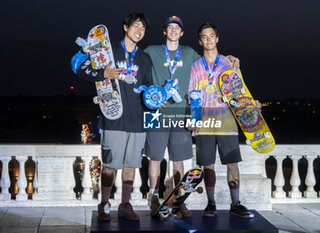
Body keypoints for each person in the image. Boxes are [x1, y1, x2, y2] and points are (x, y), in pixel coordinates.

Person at [143, 16, 240, 217]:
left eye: (177, 28)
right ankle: (153, 198)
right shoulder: (151, 51)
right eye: (169, 27)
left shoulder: (189, 53)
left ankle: (178, 201)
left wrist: (229, 57)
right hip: (156, 114)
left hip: (181, 113)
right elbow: (136, 67)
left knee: (178, 161)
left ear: (182, 33)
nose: (173, 30)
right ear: (164, 31)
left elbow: (210, 58)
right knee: (155, 158)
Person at [72, 12, 152, 221]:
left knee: (131, 166)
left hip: (137, 120)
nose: (139, 31)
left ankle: (125, 205)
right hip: (113, 117)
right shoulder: (108, 50)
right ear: (125, 27)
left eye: (143, 28)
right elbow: (79, 67)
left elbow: (149, 89)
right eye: (136, 26)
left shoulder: (144, 58)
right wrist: (103, 74)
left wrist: (155, 99)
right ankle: (104, 204)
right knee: (109, 166)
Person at [188, 22, 260, 218]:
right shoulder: (195, 66)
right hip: (204, 122)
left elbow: (240, 92)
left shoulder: (229, 63)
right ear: (200, 41)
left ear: (217, 38)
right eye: (204, 36)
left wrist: (252, 106)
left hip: (227, 120)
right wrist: (194, 119)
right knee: (207, 164)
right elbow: (193, 94)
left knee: (232, 163)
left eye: (212, 35)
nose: (208, 39)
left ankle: (235, 203)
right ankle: (211, 204)